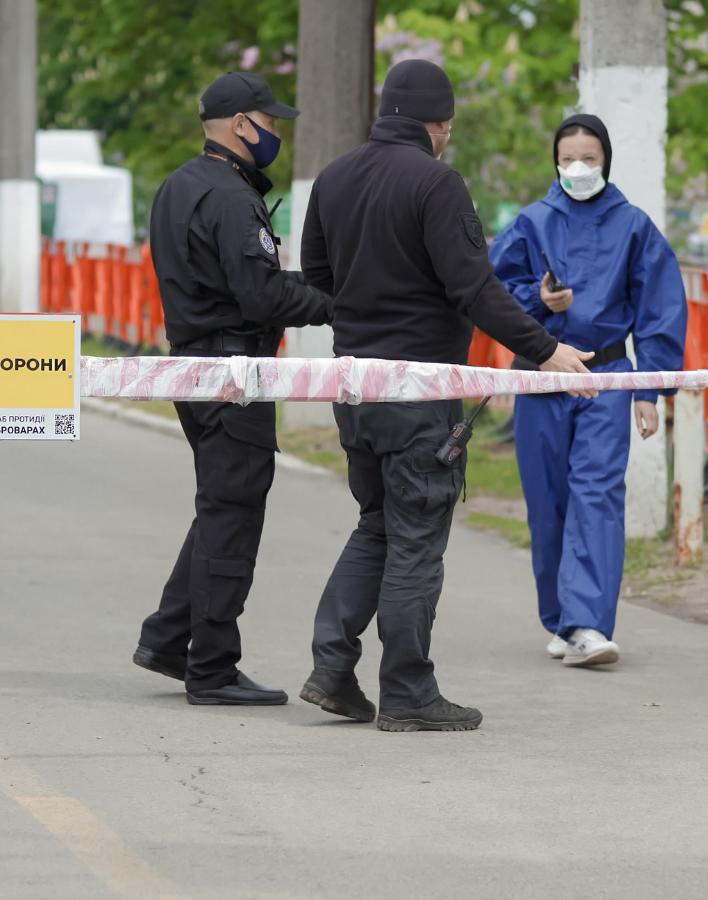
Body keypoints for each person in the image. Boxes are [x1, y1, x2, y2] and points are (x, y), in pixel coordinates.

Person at [299, 60, 595, 733]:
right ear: (438, 125)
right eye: (448, 130)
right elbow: (474, 287)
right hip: (420, 393)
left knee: (378, 521)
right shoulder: (436, 183)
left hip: (354, 390)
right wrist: (546, 349)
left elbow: (319, 279)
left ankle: (330, 669)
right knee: (414, 540)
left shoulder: (334, 178)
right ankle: (407, 691)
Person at [133, 72, 333, 705]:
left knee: (218, 506)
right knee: (234, 514)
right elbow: (261, 293)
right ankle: (213, 667)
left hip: (194, 369)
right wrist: (336, 303)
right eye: (270, 122)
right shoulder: (230, 196)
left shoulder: (180, 186)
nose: (276, 132)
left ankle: (168, 638)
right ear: (241, 124)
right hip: (233, 373)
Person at [489, 114, 687, 668]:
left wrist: (650, 389)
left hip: (605, 379)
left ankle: (588, 623)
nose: (578, 167)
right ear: (555, 161)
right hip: (542, 374)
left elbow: (660, 307)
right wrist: (538, 301)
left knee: (597, 495)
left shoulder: (633, 226)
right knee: (547, 501)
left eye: (589, 158)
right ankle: (560, 618)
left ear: (606, 161)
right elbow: (490, 291)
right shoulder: (531, 222)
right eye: (568, 157)